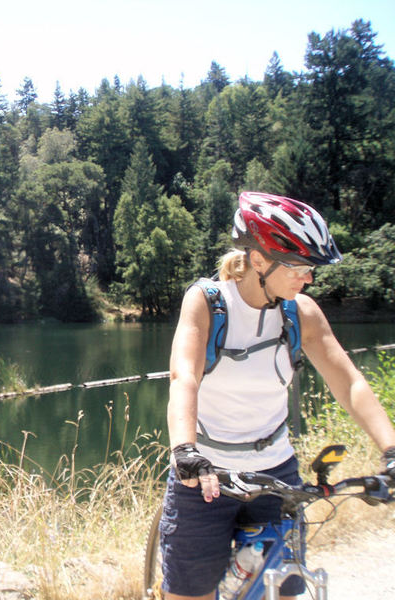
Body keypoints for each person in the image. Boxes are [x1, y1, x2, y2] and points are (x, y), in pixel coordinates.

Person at [162, 191, 395, 600]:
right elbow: (184, 377)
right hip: (206, 476)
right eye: (300, 267)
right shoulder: (208, 303)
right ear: (258, 261)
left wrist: (391, 448)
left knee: (284, 590)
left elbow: (350, 383)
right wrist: (185, 450)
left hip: (276, 474)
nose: (308, 278)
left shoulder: (300, 312)